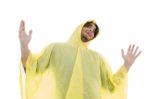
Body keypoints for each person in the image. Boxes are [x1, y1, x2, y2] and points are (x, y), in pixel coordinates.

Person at [19, 20, 141, 99]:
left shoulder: (97, 58)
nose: (91, 31)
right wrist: (24, 45)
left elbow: (111, 86)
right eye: (88, 27)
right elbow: (31, 67)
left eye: (94, 31)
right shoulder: (55, 48)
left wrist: (127, 66)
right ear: (80, 27)